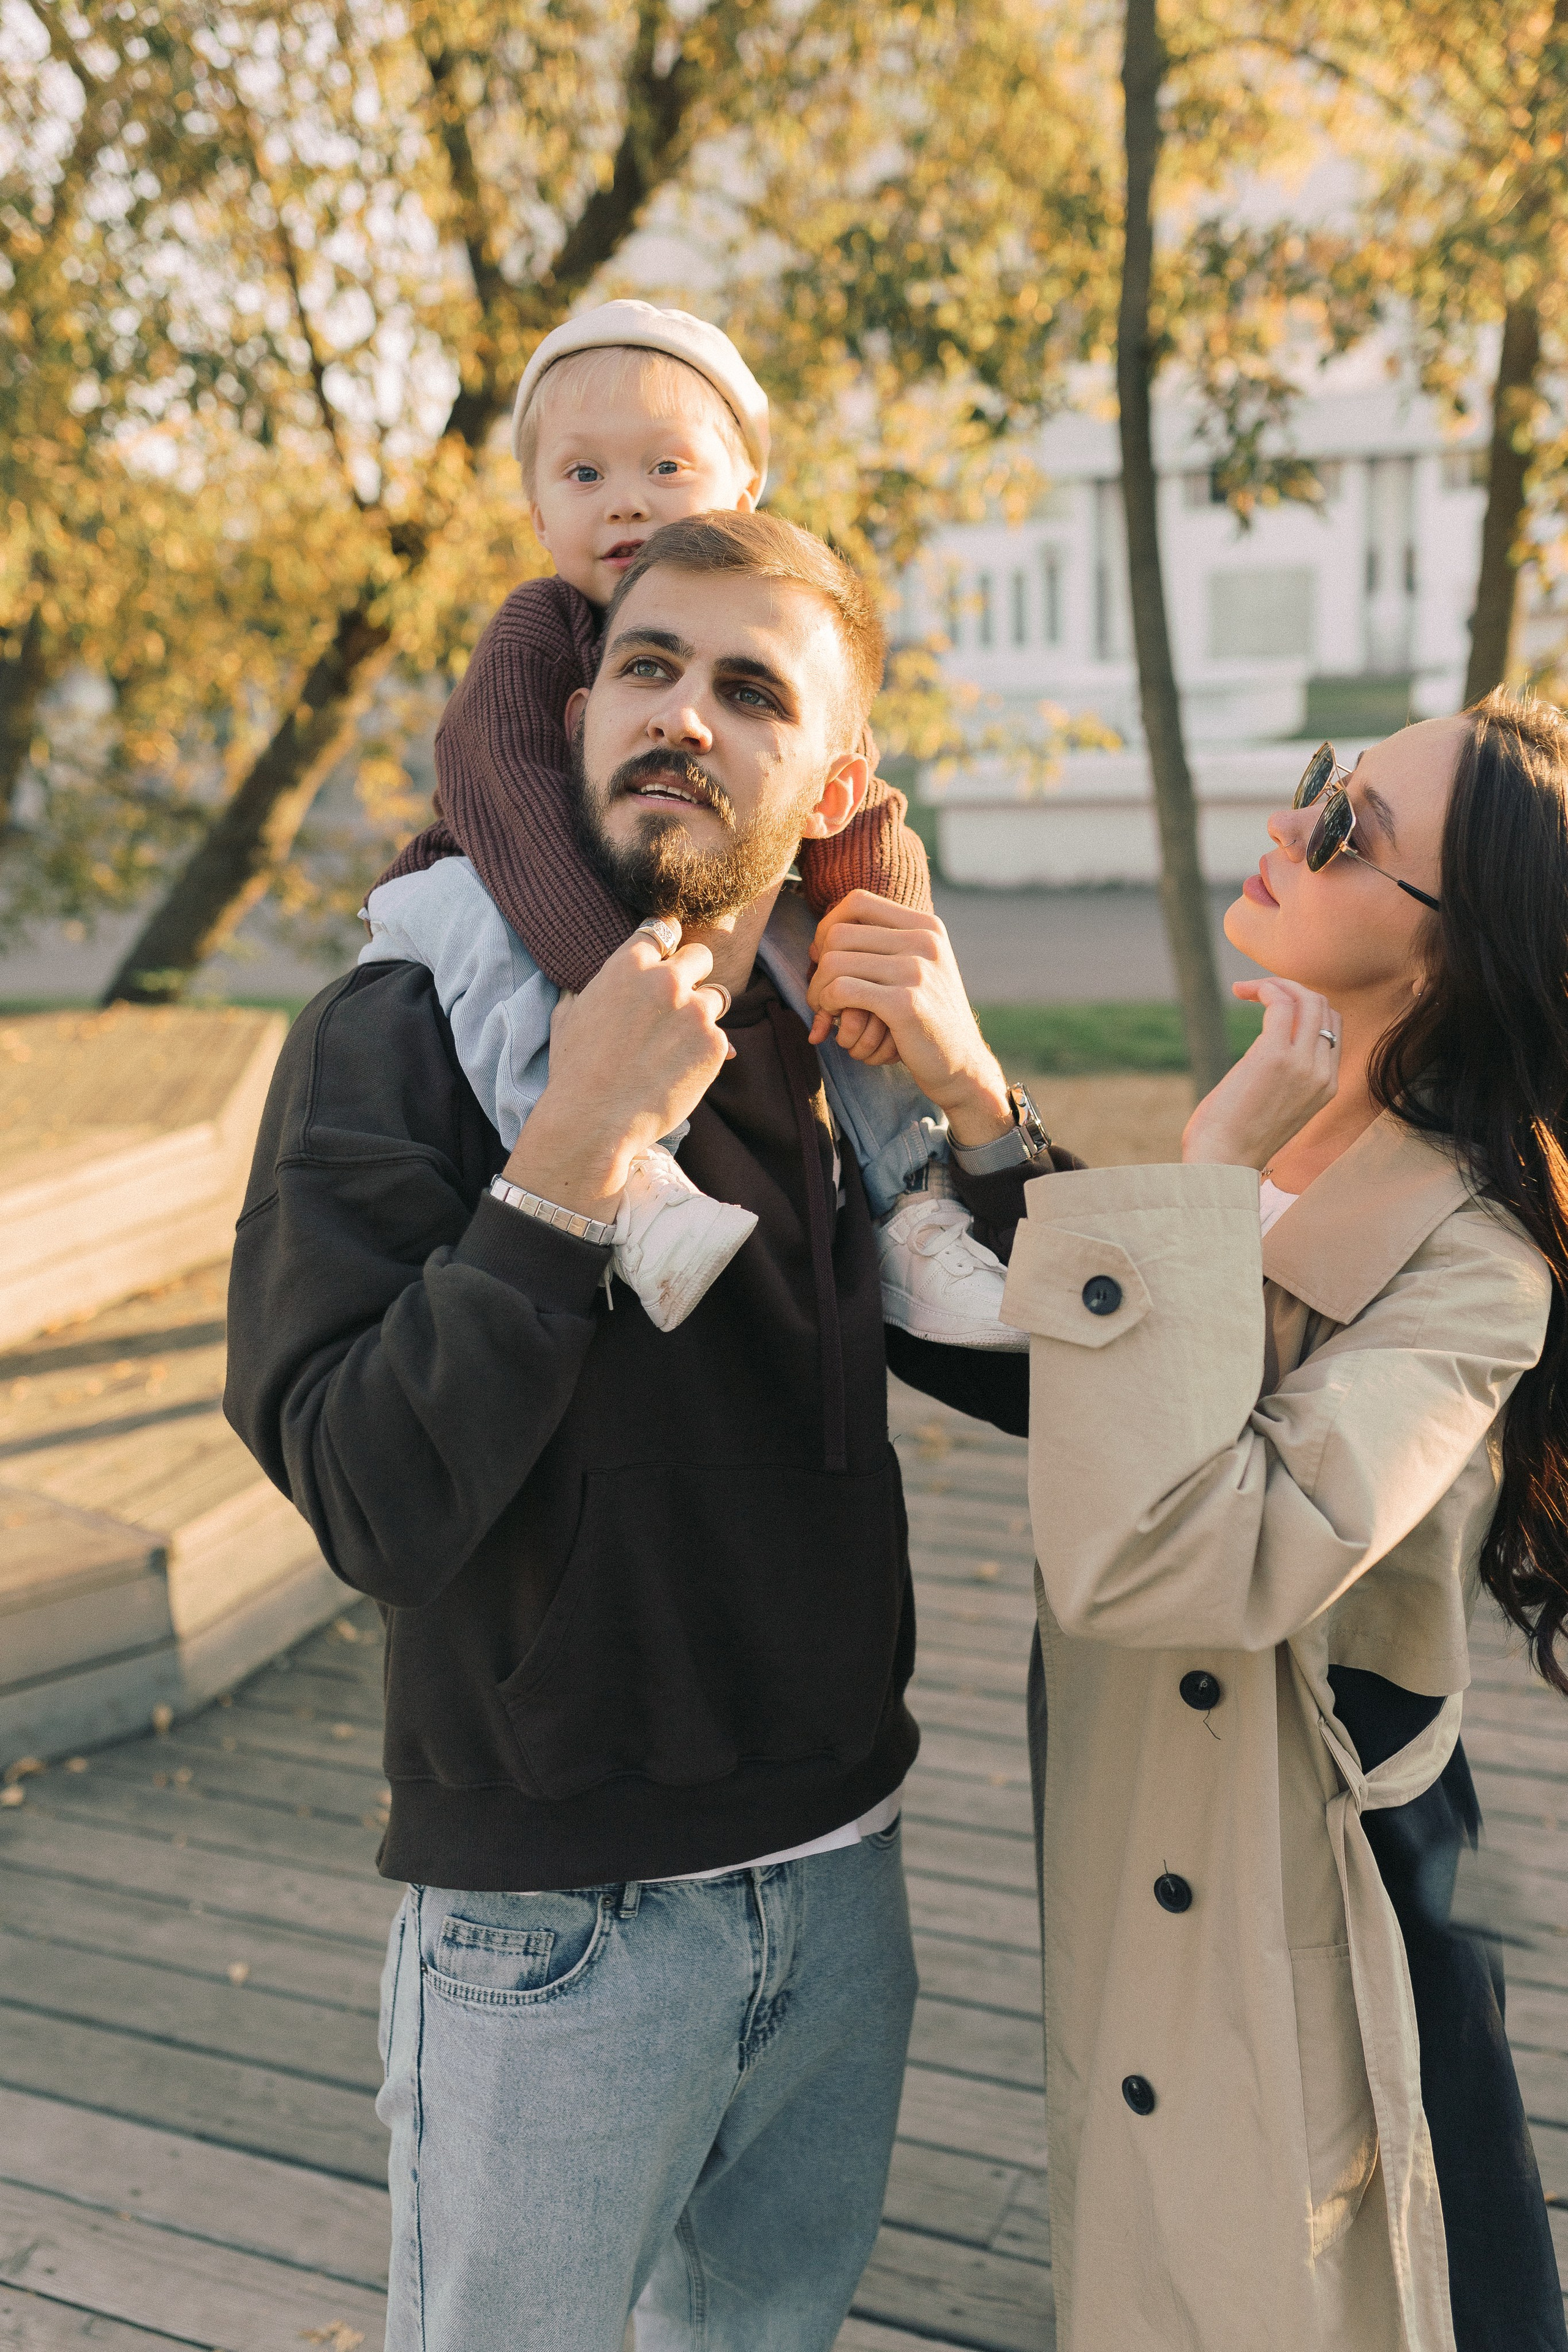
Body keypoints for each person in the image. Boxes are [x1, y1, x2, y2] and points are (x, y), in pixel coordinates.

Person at [224, 509, 1057, 2352]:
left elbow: (1043, 1376)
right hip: (553, 1928)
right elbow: (365, 1490)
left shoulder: (831, 1046)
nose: (680, 714)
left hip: (847, 1880)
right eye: (646, 667)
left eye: (748, 687)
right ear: (581, 707)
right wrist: (570, 1154)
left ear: (832, 774)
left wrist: (980, 1102)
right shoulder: (402, 1026)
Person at [987, 693, 1568, 2350]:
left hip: (1286, 1883)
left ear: (1453, 955)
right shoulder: (1311, 1130)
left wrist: (1205, 1161)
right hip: (1146, 1828)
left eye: (1352, 829)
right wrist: (963, 1094)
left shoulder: (1478, 1261)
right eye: (1326, 781)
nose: (1291, 822)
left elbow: (1192, 1547)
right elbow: (1085, 1377)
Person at [364, 297, 1018, 1347]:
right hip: (506, 885)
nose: (626, 505)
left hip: (685, 919)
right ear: (537, 515)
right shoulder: (542, 627)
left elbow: (866, 804)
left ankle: (911, 1206)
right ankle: (626, 1184)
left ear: (744, 489)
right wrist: (622, 975)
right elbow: (501, 789)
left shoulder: (785, 615)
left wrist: (872, 924)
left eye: (665, 469)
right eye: (585, 476)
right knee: (486, 958)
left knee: (820, 950)